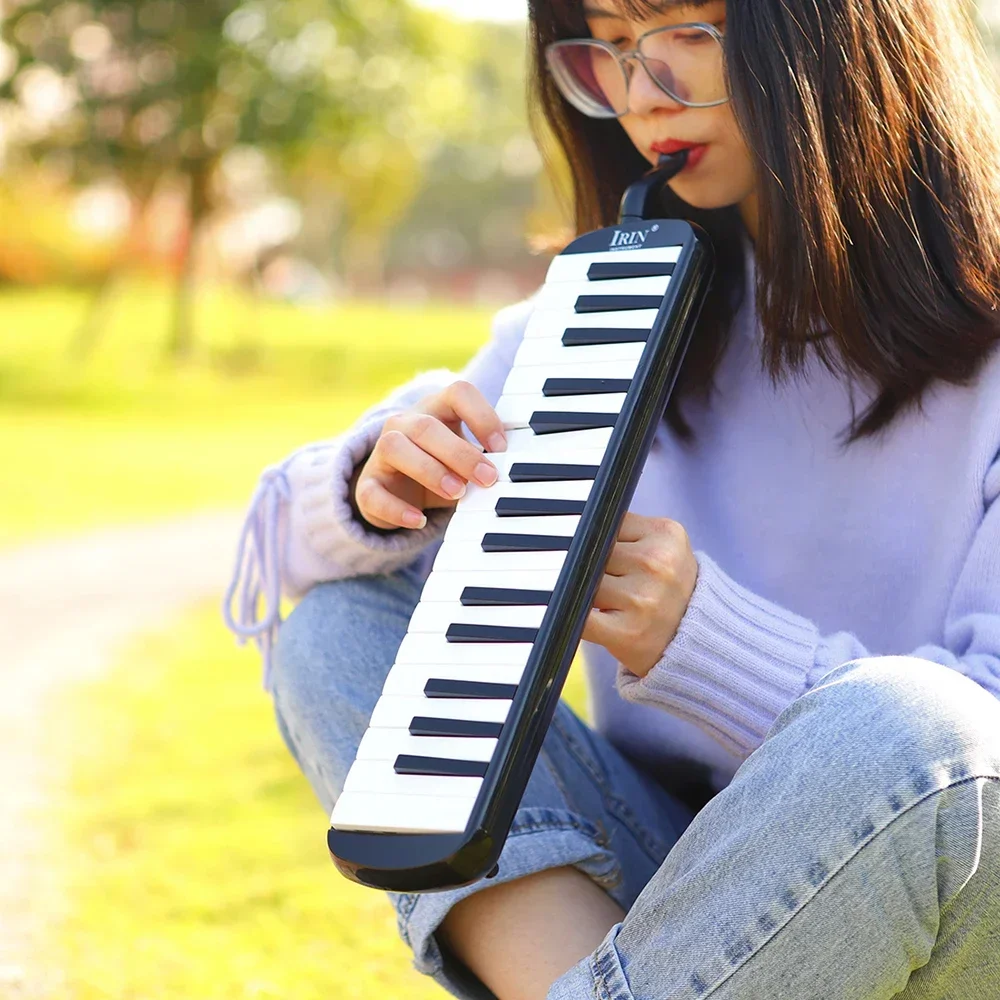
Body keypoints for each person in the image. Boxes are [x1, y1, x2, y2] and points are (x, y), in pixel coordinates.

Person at [223, 0, 1000, 996]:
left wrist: (702, 640)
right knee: (339, 623)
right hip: (677, 895)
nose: (642, 95)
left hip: (941, 903)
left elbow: (967, 771)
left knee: (909, 728)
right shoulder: (596, 314)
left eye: (688, 33)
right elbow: (275, 564)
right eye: (614, 48)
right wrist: (376, 483)